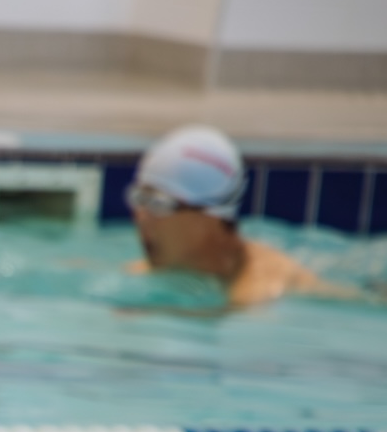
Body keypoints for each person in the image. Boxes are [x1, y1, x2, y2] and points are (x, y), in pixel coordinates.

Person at [126, 124, 342, 308]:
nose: (141, 217)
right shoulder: (143, 271)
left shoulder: (264, 292)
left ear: (210, 218)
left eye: (158, 203)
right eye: (139, 199)